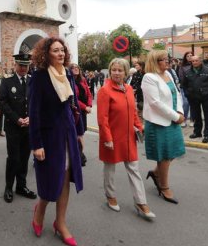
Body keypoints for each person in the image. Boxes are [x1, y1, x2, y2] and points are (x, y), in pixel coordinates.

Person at [29, 37, 84, 246]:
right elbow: (34, 113)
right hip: (49, 137)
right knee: (51, 178)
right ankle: (40, 210)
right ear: (46, 54)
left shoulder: (67, 74)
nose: (61, 54)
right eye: (55, 51)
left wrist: (79, 132)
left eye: (62, 50)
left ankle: (60, 222)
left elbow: (72, 105)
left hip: (68, 132)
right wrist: (36, 144)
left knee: (66, 174)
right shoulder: (39, 77)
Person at [97, 58, 155, 220]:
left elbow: (134, 112)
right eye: (114, 70)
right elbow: (102, 119)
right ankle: (110, 195)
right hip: (112, 138)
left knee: (134, 169)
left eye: (120, 70)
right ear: (110, 71)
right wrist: (107, 138)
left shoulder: (129, 89)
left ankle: (141, 203)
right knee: (110, 169)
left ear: (125, 72)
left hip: (129, 138)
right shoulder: (105, 91)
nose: (116, 73)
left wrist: (140, 126)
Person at [141, 50, 185, 205]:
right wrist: (176, 116)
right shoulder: (149, 77)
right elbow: (155, 103)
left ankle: (155, 173)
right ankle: (164, 187)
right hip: (159, 122)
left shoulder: (169, 75)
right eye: (164, 59)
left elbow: (177, 94)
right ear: (155, 61)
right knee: (165, 156)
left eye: (168, 59)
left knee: (174, 151)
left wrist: (180, 111)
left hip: (173, 119)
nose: (168, 62)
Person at [0, 53, 37, 203]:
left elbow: (36, 102)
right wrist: (17, 119)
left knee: (25, 158)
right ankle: (9, 187)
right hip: (13, 127)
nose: (23, 68)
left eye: (26, 66)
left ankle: (21, 186)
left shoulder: (32, 81)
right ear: (15, 65)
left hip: (28, 127)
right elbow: (2, 103)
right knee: (13, 158)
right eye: (21, 65)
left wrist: (31, 118)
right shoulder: (7, 82)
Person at [182, 55, 208, 143]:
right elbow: (184, 85)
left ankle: (207, 134)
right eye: (193, 61)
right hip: (193, 97)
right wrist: (187, 94)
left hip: (206, 97)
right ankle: (197, 132)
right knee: (196, 115)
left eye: (196, 61)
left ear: (200, 61)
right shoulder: (187, 71)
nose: (194, 62)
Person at [70, 63, 92, 166]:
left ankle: (79, 153)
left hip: (84, 112)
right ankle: (79, 155)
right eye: (73, 68)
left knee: (81, 133)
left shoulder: (83, 80)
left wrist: (90, 105)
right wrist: (85, 107)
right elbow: (74, 99)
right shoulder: (70, 82)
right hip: (76, 111)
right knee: (77, 134)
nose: (75, 69)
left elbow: (89, 93)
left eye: (77, 68)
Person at [178, 51, 193, 127]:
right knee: (186, 103)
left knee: (193, 104)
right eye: (188, 56)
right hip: (185, 87)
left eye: (191, 55)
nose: (190, 57)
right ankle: (184, 119)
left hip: (194, 88)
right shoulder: (182, 66)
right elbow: (181, 77)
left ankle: (192, 120)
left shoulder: (196, 65)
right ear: (185, 57)